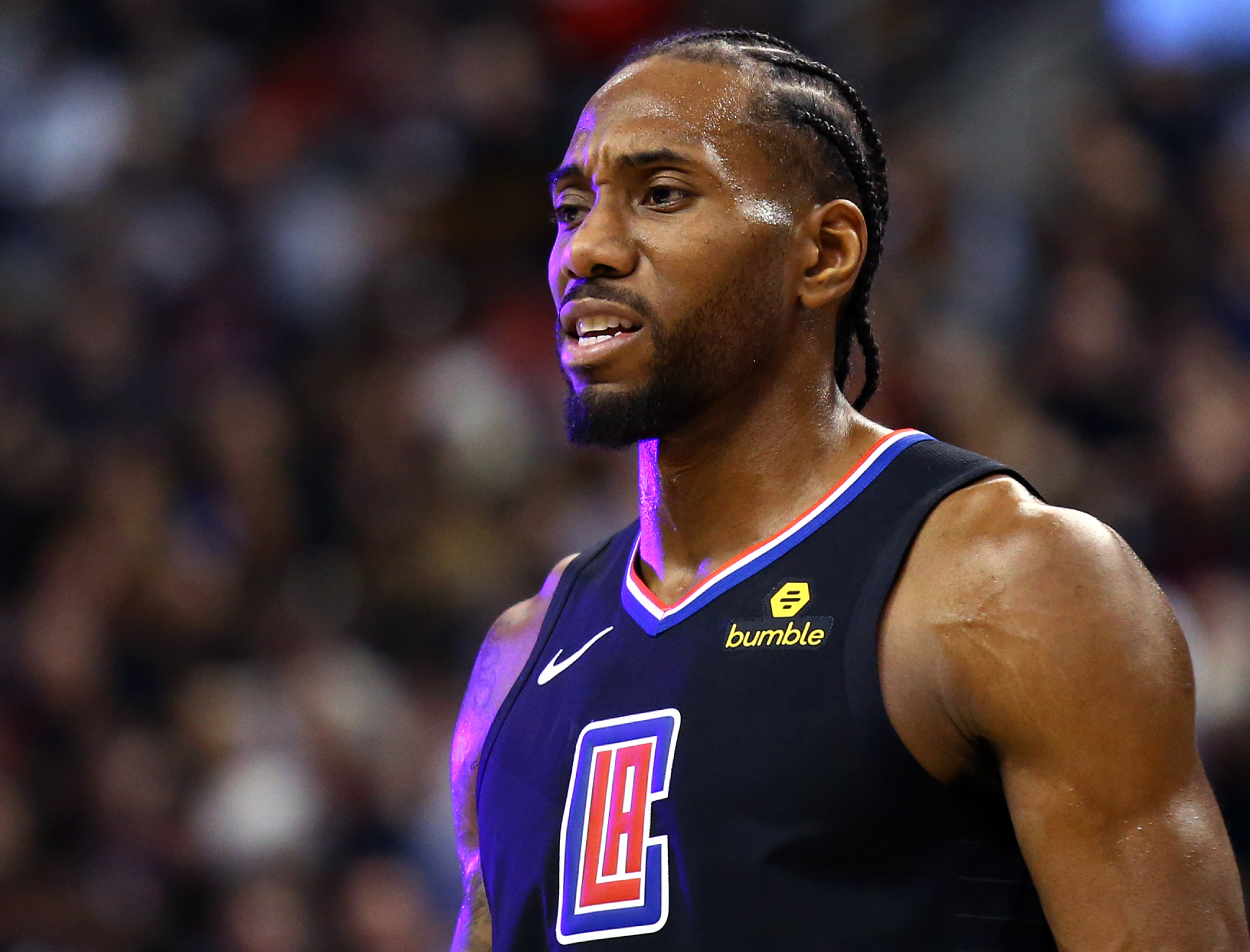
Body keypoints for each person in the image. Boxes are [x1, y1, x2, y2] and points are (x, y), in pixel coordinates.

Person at [449, 28, 1250, 951]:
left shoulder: (1010, 580)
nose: (585, 248)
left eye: (661, 196)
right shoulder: (517, 657)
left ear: (824, 254)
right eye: (570, 206)